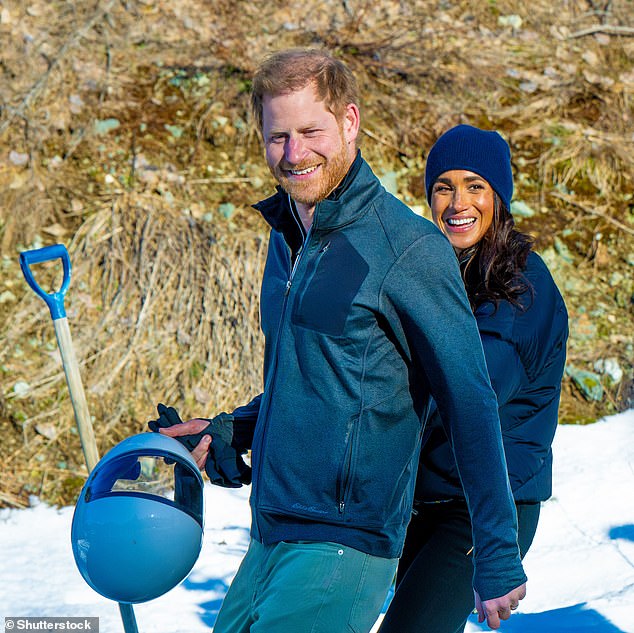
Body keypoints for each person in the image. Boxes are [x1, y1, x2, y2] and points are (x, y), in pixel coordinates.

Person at [151, 51, 527, 633]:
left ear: (350, 122)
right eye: (278, 136)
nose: (294, 153)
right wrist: (231, 430)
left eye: (310, 131)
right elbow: (315, 380)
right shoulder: (286, 241)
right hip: (268, 538)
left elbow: (469, 400)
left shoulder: (406, 248)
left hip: (343, 547)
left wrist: (497, 553)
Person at [379, 124, 569, 633]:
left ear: (499, 197)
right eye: (444, 187)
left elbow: (469, 391)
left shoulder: (522, 287)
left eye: (475, 186)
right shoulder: (436, 276)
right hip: (423, 500)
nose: (458, 201)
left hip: (483, 508)